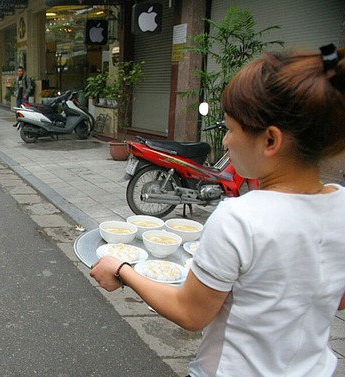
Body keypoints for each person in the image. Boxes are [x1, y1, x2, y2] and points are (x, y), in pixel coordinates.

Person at [90, 44, 345, 377]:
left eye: (231, 129)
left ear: (270, 141)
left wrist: (123, 270)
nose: (225, 141)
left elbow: (191, 313)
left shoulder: (240, 218)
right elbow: (335, 299)